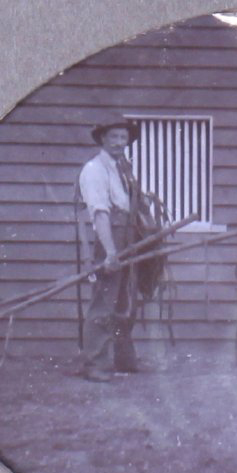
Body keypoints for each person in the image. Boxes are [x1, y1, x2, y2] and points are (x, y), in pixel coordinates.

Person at [77, 114, 142, 382]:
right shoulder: (94, 169)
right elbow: (100, 213)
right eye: (113, 137)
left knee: (125, 300)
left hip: (128, 235)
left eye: (123, 138)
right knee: (104, 301)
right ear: (102, 139)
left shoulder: (121, 168)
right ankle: (95, 363)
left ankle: (123, 359)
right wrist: (111, 251)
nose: (118, 142)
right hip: (110, 239)